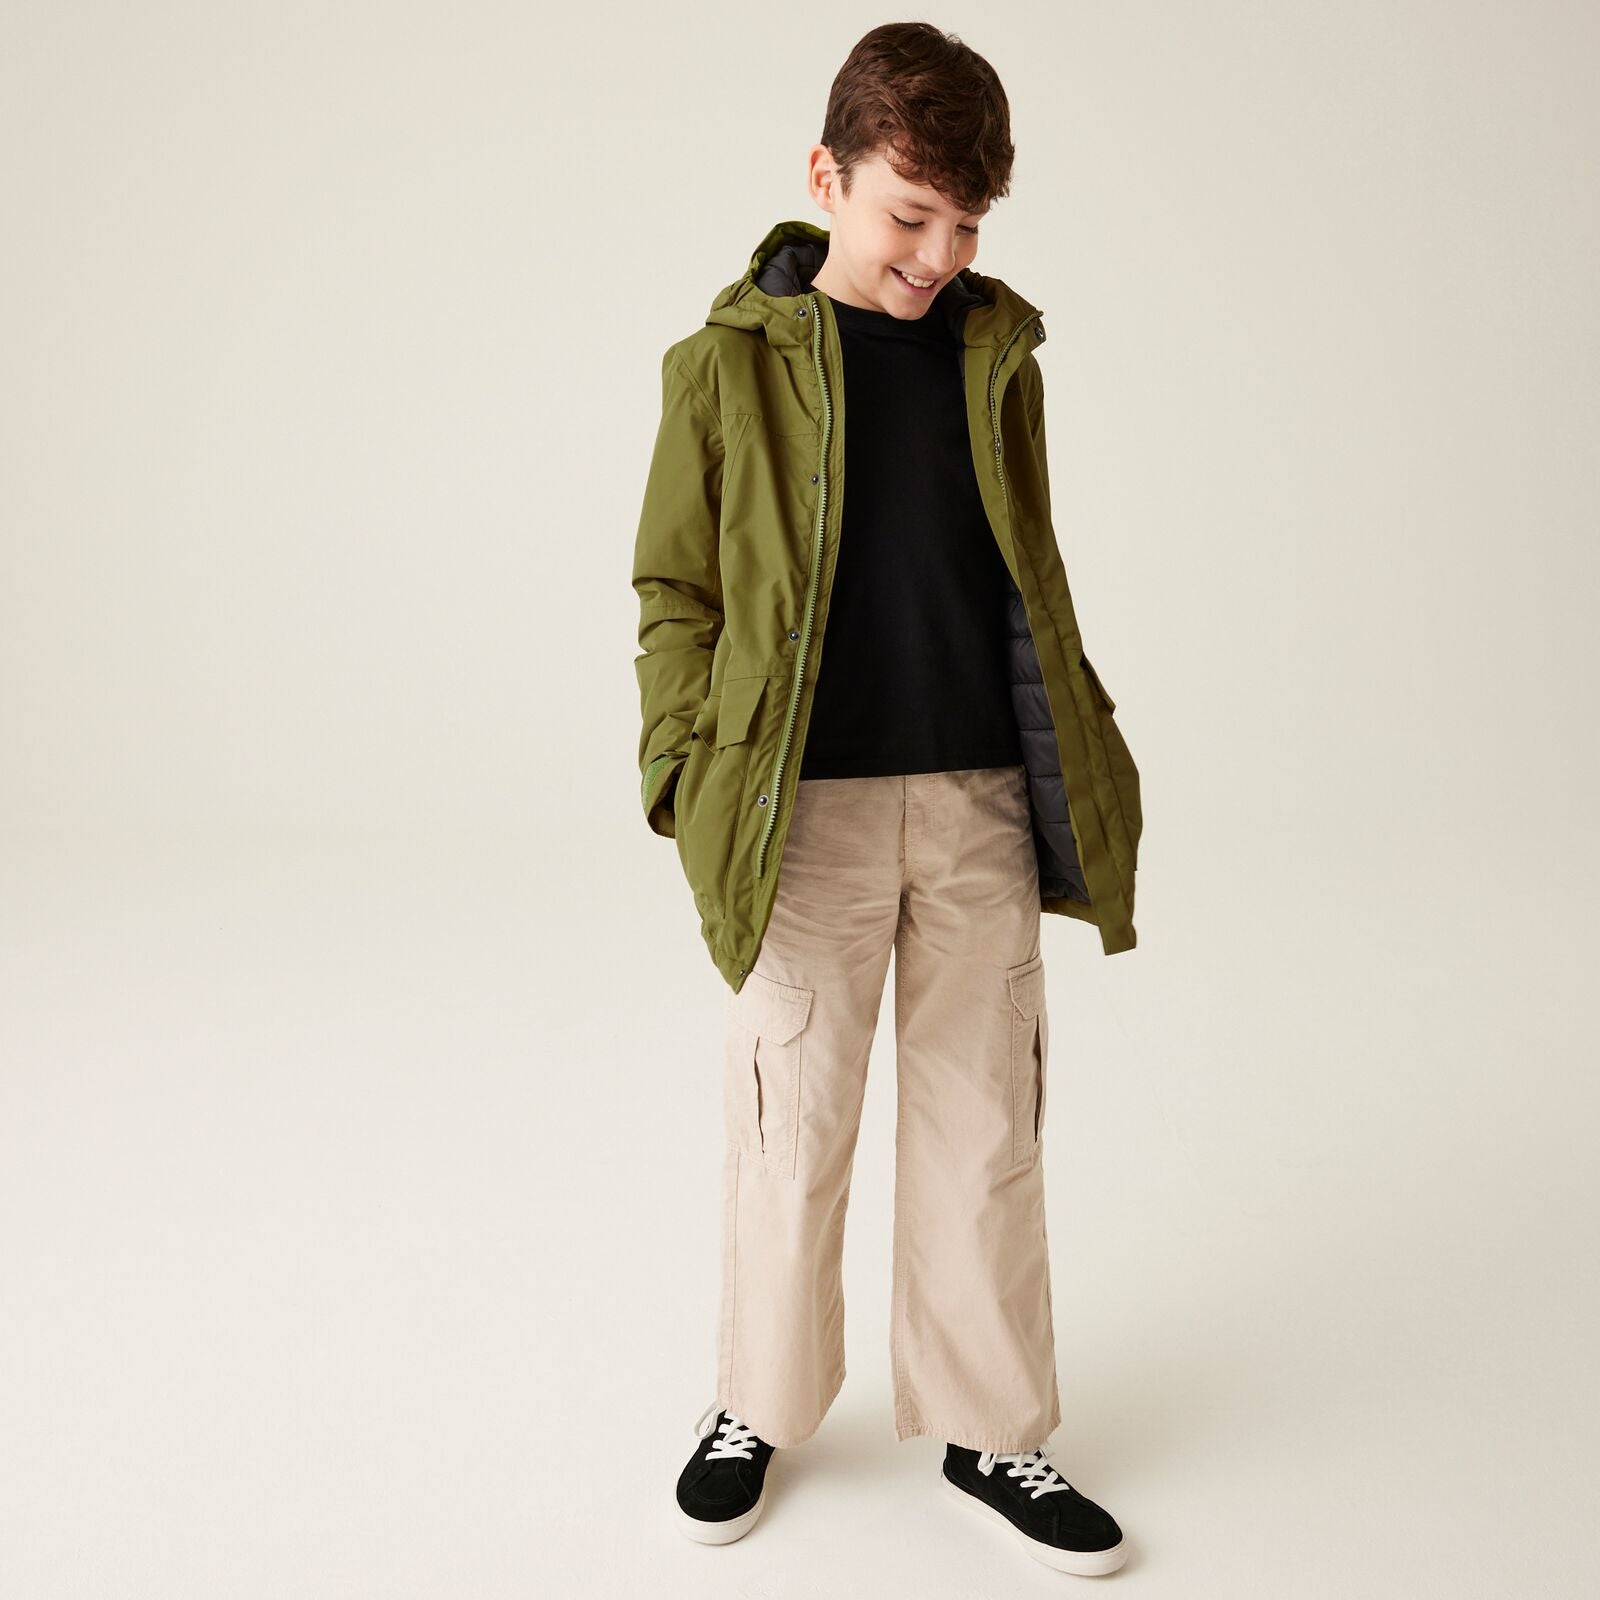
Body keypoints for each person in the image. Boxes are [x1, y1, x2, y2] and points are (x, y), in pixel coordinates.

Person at [630, 21, 1142, 1578]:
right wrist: (683, 770)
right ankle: (758, 1405)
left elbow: (1022, 572)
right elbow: (675, 589)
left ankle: (994, 1429)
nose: (939, 255)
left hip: (978, 796)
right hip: (803, 813)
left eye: (967, 224)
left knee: (987, 1126)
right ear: (828, 177)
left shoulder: (997, 358)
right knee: (792, 1123)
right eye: (912, 215)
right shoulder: (723, 368)